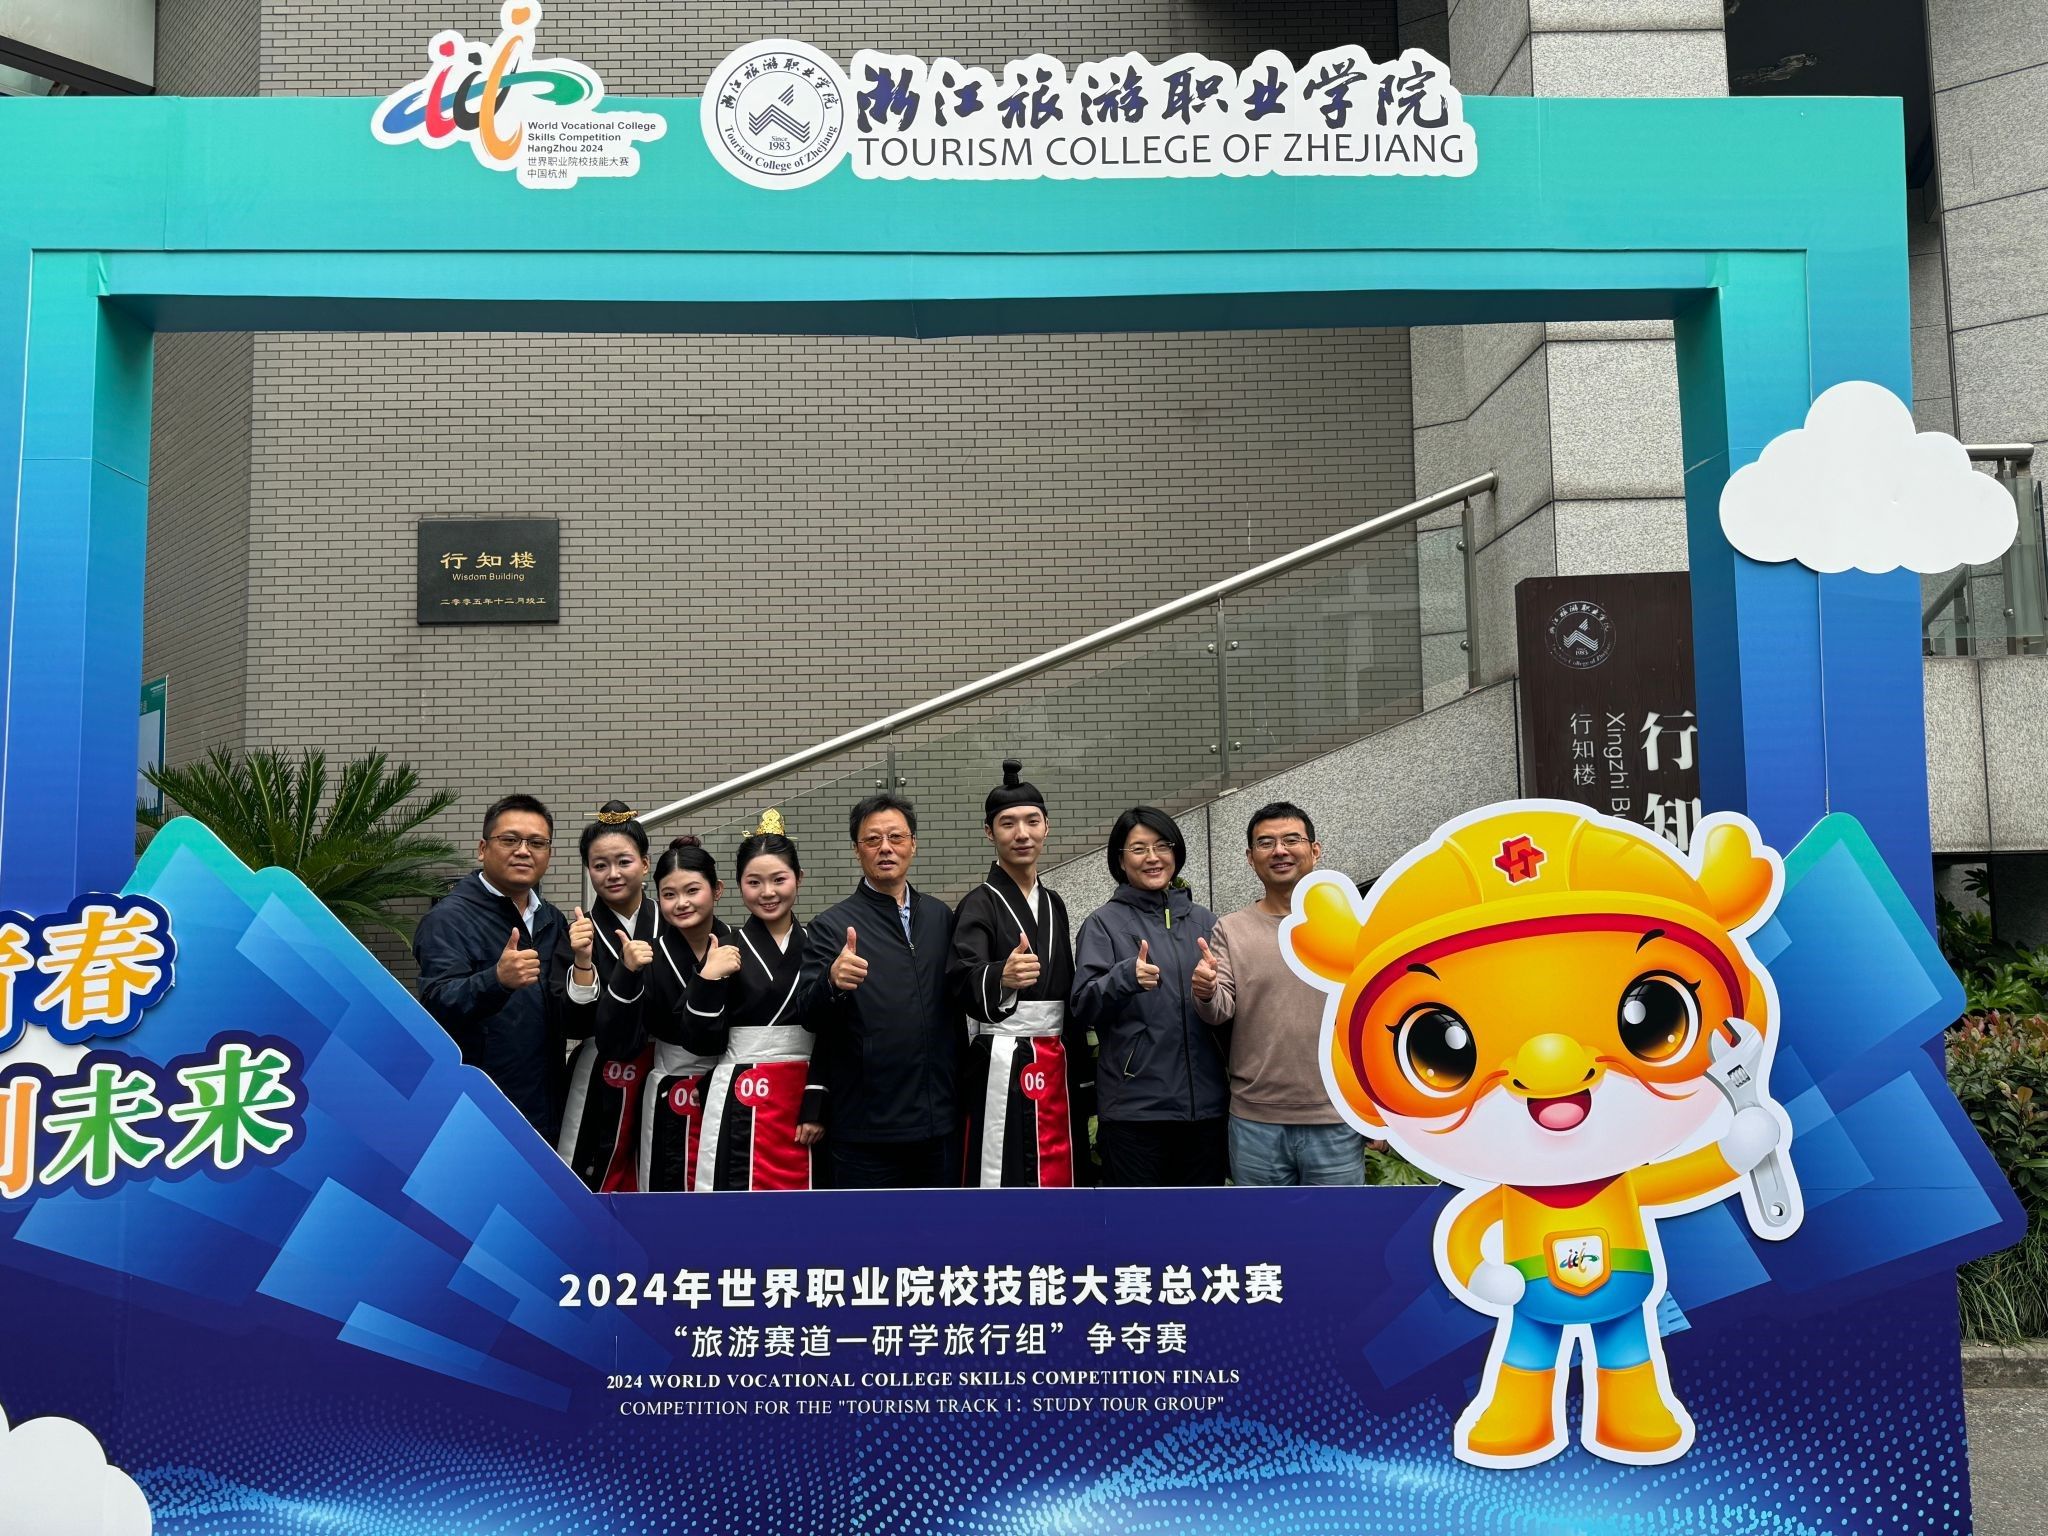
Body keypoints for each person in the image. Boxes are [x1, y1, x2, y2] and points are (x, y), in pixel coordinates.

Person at [1194, 801, 1366, 1185]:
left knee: (1338, 1224)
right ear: (1250, 857)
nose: (1280, 851)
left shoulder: (1354, 925)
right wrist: (1206, 990)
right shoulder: (1231, 928)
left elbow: (1376, 1016)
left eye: (1291, 840)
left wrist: (1375, 1111)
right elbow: (1219, 1010)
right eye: (1266, 843)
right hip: (1256, 1121)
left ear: (1314, 850)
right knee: (1261, 1226)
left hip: (1337, 1116)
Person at [799, 793, 961, 1189]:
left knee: (938, 1228)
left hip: (939, 1121)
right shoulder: (832, 926)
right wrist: (831, 982)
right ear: (857, 850)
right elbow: (808, 1014)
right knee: (867, 1229)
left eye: (896, 837)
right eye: (872, 839)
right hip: (866, 1130)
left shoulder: (940, 916)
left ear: (913, 844)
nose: (885, 848)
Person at [949, 759, 1091, 1187]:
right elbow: (959, 978)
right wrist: (1001, 976)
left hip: (1056, 1054)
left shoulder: (1054, 903)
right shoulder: (978, 903)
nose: (1022, 833)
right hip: (1001, 1058)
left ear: (1047, 827)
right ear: (989, 833)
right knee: (1004, 1164)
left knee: (1061, 1160)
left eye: (1032, 821)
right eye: (1007, 824)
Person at [1070, 806, 1228, 1186]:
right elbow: (1082, 1004)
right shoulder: (1103, 924)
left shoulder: (1206, 921)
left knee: (1203, 1218)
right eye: (1139, 849)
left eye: (1162, 846)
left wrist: (1213, 990)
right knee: (1136, 1221)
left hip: (1205, 1110)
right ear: (1120, 860)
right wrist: (1125, 976)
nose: (1153, 857)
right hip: (1135, 1113)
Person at [414, 794, 580, 1136]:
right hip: (479, 1105)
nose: (523, 851)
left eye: (537, 843)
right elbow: (436, 1003)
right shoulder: (448, 919)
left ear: (549, 854)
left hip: (547, 1101)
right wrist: (497, 980)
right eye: (510, 840)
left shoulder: (552, 919)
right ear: (482, 848)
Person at [689, 812, 828, 1191]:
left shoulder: (821, 944)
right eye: (754, 882)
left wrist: (817, 1099)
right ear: (738, 885)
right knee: (735, 1195)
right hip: (740, 1090)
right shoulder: (725, 947)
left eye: (779, 879)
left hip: (804, 1094)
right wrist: (706, 980)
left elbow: (834, 1031)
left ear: (799, 878)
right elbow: (700, 1038)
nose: (768, 892)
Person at [595, 834, 738, 1192]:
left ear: (717, 890)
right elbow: (615, 1041)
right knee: (666, 1185)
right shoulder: (648, 955)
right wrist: (626, 974)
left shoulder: (740, 946)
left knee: (729, 1182)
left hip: (730, 1088)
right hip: (670, 1090)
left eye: (693, 891)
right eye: (669, 894)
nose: (681, 903)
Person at [555, 800, 658, 1192]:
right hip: (601, 1068)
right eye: (600, 865)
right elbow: (574, 1024)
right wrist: (582, 960)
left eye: (624, 862)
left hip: (663, 1063)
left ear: (645, 864)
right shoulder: (579, 932)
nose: (612, 874)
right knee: (592, 1171)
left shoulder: (672, 919)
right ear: (588, 869)